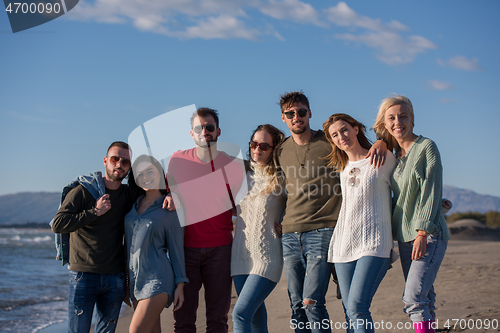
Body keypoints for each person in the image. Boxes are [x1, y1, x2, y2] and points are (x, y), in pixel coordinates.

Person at [275, 91, 388, 333]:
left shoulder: (328, 140)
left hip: (324, 230)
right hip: (291, 234)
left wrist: (382, 141)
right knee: (297, 305)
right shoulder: (280, 150)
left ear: (309, 113)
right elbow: (276, 188)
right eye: (290, 114)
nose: (297, 117)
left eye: (302, 112)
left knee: (312, 302)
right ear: (283, 117)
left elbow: (363, 155)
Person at [373, 95, 449, 333]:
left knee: (413, 299)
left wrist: (423, 231)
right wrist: (380, 143)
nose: (398, 122)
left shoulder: (426, 147)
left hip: (427, 235)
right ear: (385, 124)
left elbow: (430, 190)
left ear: (412, 119)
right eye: (392, 118)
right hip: (405, 237)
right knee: (424, 297)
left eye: (403, 116)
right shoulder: (396, 156)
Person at [166, 107, 245, 333]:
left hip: (220, 248)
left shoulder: (232, 165)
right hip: (185, 249)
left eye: (209, 127)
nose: (204, 132)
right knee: (183, 319)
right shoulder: (177, 160)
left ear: (218, 131)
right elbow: (164, 193)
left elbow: (241, 206)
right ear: (192, 133)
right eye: (199, 128)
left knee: (218, 319)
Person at [51, 141, 137, 333]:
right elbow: (58, 224)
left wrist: (169, 195)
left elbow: (153, 191)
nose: (119, 165)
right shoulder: (84, 191)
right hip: (83, 275)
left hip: (114, 277)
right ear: (105, 161)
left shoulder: (127, 194)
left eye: (125, 162)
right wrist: (94, 212)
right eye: (115, 159)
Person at [323, 114, 396, 333]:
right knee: (349, 311)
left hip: (375, 242)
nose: (341, 136)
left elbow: (406, 188)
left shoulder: (383, 158)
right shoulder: (341, 168)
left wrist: (382, 141)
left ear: (356, 129)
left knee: (357, 306)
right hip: (343, 246)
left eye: (344, 129)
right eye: (335, 134)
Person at [231, 124, 286, 333]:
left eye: (264, 145)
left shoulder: (281, 178)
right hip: (239, 258)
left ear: (274, 149)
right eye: (254, 144)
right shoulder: (241, 177)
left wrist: (287, 223)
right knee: (256, 320)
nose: (257, 149)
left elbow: (300, 204)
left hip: (266, 257)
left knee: (240, 314)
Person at [124, 155, 189, 333]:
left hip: (159, 279)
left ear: (160, 173)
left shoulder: (169, 208)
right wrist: (126, 283)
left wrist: (180, 285)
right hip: (136, 282)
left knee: (135, 330)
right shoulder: (132, 207)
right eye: (140, 173)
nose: (145, 177)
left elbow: (177, 249)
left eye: (150, 171)